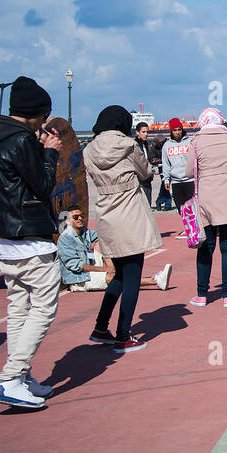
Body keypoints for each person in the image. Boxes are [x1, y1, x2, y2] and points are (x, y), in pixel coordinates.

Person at [0, 76, 63, 409]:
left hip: (4, 235)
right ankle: (11, 377)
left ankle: (21, 375)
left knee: (18, 307)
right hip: (30, 236)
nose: (44, 122)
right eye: (43, 115)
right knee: (43, 307)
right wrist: (50, 153)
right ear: (35, 113)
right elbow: (42, 185)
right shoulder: (22, 141)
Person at [83, 106, 163, 352]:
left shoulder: (88, 149)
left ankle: (100, 326)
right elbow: (145, 172)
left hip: (106, 213)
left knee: (119, 274)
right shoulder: (128, 146)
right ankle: (124, 334)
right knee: (133, 275)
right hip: (129, 212)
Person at [189, 108, 227, 308]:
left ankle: (201, 294)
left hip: (206, 197)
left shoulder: (196, 141)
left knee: (206, 247)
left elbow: (189, 170)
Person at [57, 208, 170, 293]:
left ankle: (114, 270)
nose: (80, 219)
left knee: (102, 242)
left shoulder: (84, 232)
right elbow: (76, 266)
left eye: (81, 216)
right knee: (112, 278)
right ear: (67, 221)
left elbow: (104, 236)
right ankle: (155, 281)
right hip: (80, 278)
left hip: (90, 265)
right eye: (76, 217)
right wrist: (103, 269)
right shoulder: (65, 239)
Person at [161, 118, 194, 210]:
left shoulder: (190, 142)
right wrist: (166, 180)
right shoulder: (167, 145)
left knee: (193, 209)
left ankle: (195, 225)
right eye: (174, 130)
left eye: (179, 129)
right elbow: (166, 164)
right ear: (171, 131)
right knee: (181, 210)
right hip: (176, 182)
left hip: (190, 181)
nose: (177, 132)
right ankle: (185, 225)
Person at [134, 122, 154, 206]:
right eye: (143, 132)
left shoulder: (146, 144)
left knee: (148, 205)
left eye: (147, 132)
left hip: (147, 178)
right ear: (137, 132)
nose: (146, 134)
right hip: (138, 179)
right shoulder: (135, 145)